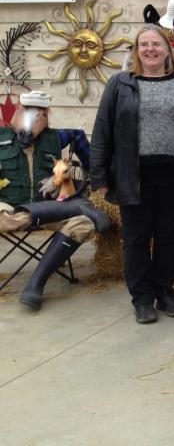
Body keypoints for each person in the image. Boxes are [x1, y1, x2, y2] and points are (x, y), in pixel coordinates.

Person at [92, 24, 174, 323]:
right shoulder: (119, 84)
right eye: (144, 44)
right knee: (135, 239)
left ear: (168, 50)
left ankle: (165, 292)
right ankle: (143, 299)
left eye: (156, 44)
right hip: (133, 174)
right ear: (137, 51)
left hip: (173, 175)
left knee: (168, 237)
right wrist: (99, 176)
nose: (150, 49)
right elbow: (102, 131)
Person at [5, 92, 108, 311]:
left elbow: (78, 136)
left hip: (48, 210)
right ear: (18, 112)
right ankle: (76, 206)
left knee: (84, 224)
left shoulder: (55, 138)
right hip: (8, 210)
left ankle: (36, 283)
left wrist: (93, 179)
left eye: (40, 116)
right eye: (27, 113)